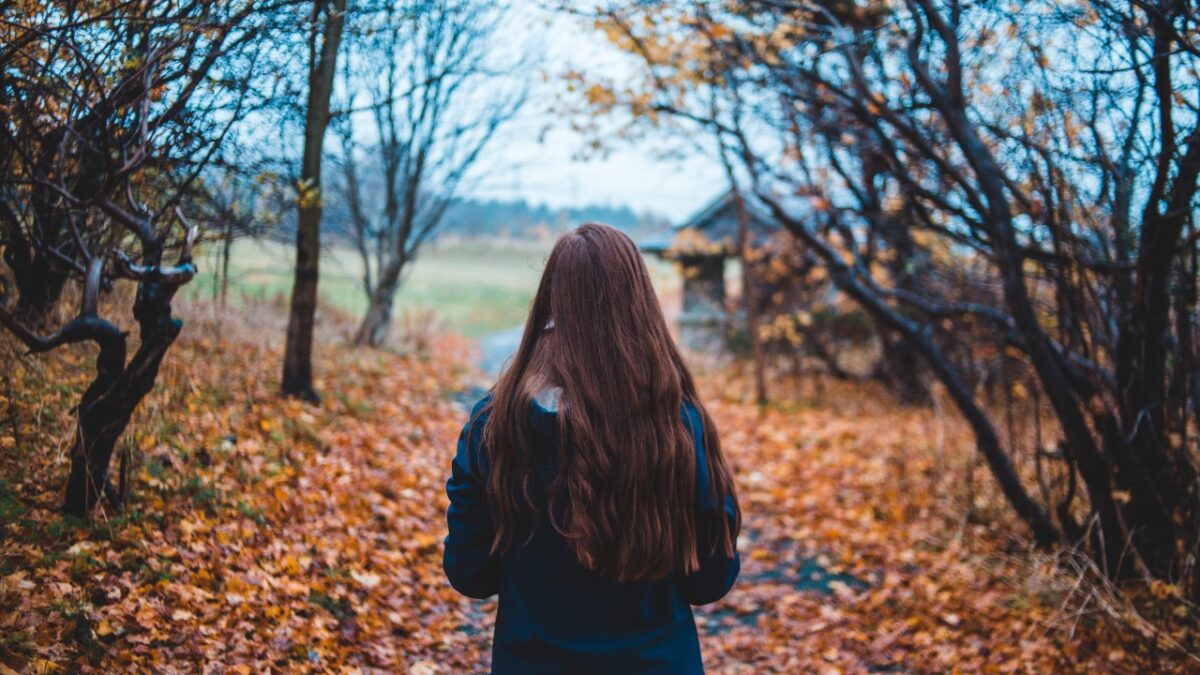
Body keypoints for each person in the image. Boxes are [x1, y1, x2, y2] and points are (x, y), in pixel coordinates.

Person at [443, 223, 741, 674]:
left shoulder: (495, 423)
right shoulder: (676, 422)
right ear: (639, 300)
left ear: (551, 299)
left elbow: (470, 574)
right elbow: (710, 581)